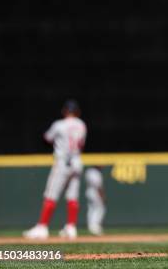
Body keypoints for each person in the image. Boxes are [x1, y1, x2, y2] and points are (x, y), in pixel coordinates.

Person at [23, 100, 87, 240]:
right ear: (77, 112)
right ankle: (71, 228)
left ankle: (42, 227)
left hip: (63, 162)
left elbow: (47, 138)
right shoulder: (82, 125)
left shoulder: (59, 124)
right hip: (76, 161)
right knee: (73, 196)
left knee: (51, 194)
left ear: (65, 111)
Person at [85, 166, 106, 236]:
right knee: (100, 208)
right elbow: (98, 186)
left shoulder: (89, 171)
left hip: (89, 192)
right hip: (95, 193)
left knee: (91, 209)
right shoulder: (96, 172)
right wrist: (102, 195)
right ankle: (95, 226)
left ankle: (91, 226)